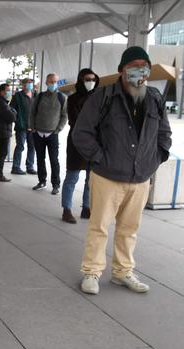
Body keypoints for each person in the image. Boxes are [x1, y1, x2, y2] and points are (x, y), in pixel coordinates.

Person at [74, 46, 171, 295]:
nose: (141, 71)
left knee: (129, 229)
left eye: (145, 66)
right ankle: (92, 272)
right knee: (99, 227)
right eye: (135, 66)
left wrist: (156, 158)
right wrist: (100, 159)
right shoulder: (103, 97)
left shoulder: (155, 98)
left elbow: (164, 133)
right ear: (122, 70)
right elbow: (82, 133)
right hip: (107, 176)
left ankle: (122, 271)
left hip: (140, 178)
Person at [62, 68, 99, 224]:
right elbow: (74, 120)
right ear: (80, 81)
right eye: (87, 79)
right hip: (77, 141)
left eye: (93, 79)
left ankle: (86, 207)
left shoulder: (99, 97)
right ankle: (67, 209)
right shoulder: (73, 99)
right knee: (72, 177)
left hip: (95, 143)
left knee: (91, 179)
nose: (90, 82)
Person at [29, 73, 68, 195]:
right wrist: (33, 128)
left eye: (55, 81)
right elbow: (32, 113)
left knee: (54, 160)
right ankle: (42, 181)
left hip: (52, 134)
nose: (53, 84)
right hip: (38, 133)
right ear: (46, 83)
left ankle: (56, 184)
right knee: (40, 159)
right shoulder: (40, 97)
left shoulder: (62, 98)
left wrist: (58, 130)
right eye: (51, 82)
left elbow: (64, 115)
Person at [10, 78, 37, 175]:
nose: (29, 85)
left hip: (33, 127)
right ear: (23, 85)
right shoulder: (18, 96)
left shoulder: (35, 95)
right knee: (20, 146)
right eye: (26, 83)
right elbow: (12, 109)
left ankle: (30, 167)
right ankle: (15, 167)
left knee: (32, 147)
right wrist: (17, 120)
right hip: (21, 127)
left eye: (30, 83)